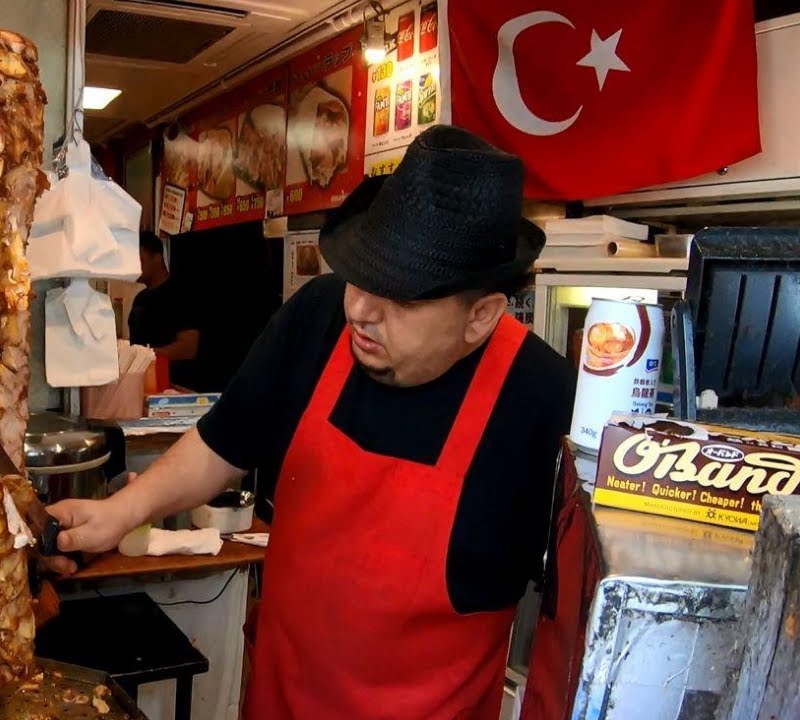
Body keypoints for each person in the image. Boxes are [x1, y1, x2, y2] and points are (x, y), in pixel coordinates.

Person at [46, 126, 576, 720]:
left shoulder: (541, 399)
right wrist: (119, 512)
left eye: (401, 299)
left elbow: (565, 616)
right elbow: (224, 440)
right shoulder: (320, 316)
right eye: (360, 276)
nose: (362, 310)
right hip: (281, 700)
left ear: (480, 316)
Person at [127, 232, 199, 362]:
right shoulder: (140, 299)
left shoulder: (181, 293)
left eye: (139, 260)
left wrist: (147, 355)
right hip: (141, 378)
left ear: (157, 258)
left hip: (173, 379)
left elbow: (188, 347)